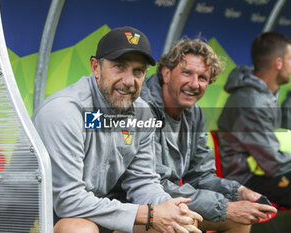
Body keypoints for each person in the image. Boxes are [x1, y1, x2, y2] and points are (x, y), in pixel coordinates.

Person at [32, 26, 202, 233]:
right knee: (78, 229)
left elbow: (143, 181)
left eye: (138, 71)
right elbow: (68, 201)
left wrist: (173, 209)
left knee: (172, 225)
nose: (129, 81)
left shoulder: (142, 113)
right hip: (33, 218)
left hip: (92, 214)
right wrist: (149, 214)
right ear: (96, 67)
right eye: (119, 67)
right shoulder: (64, 110)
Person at [140, 38, 277, 233]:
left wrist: (238, 192)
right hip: (135, 206)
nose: (194, 84)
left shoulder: (194, 113)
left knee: (239, 221)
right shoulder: (141, 110)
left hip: (170, 205)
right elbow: (153, 184)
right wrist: (226, 207)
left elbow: (200, 175)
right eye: (186, 73)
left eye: (203, 77)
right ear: (166, 73)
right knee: (185, 224)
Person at [217, 31, 291, 209]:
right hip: (246, 181)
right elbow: (273, 164)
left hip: (266, 171)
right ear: (278, 63)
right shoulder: (251, 101)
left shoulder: (266, 94)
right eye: (290, 59)